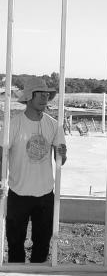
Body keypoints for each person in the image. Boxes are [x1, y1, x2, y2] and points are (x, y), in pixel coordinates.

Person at [0, 77, 67, 263]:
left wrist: (62, 154)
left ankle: (38, 272)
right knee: (15, 242)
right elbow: (1, 154)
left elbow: (60, 159)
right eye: (40, 94)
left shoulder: (54, 125)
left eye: (47, 94)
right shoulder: (14, 124)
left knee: (43, 243)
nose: (44, 98)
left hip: (45, 194)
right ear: (29, 97)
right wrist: (1, 181)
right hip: (18, 192)